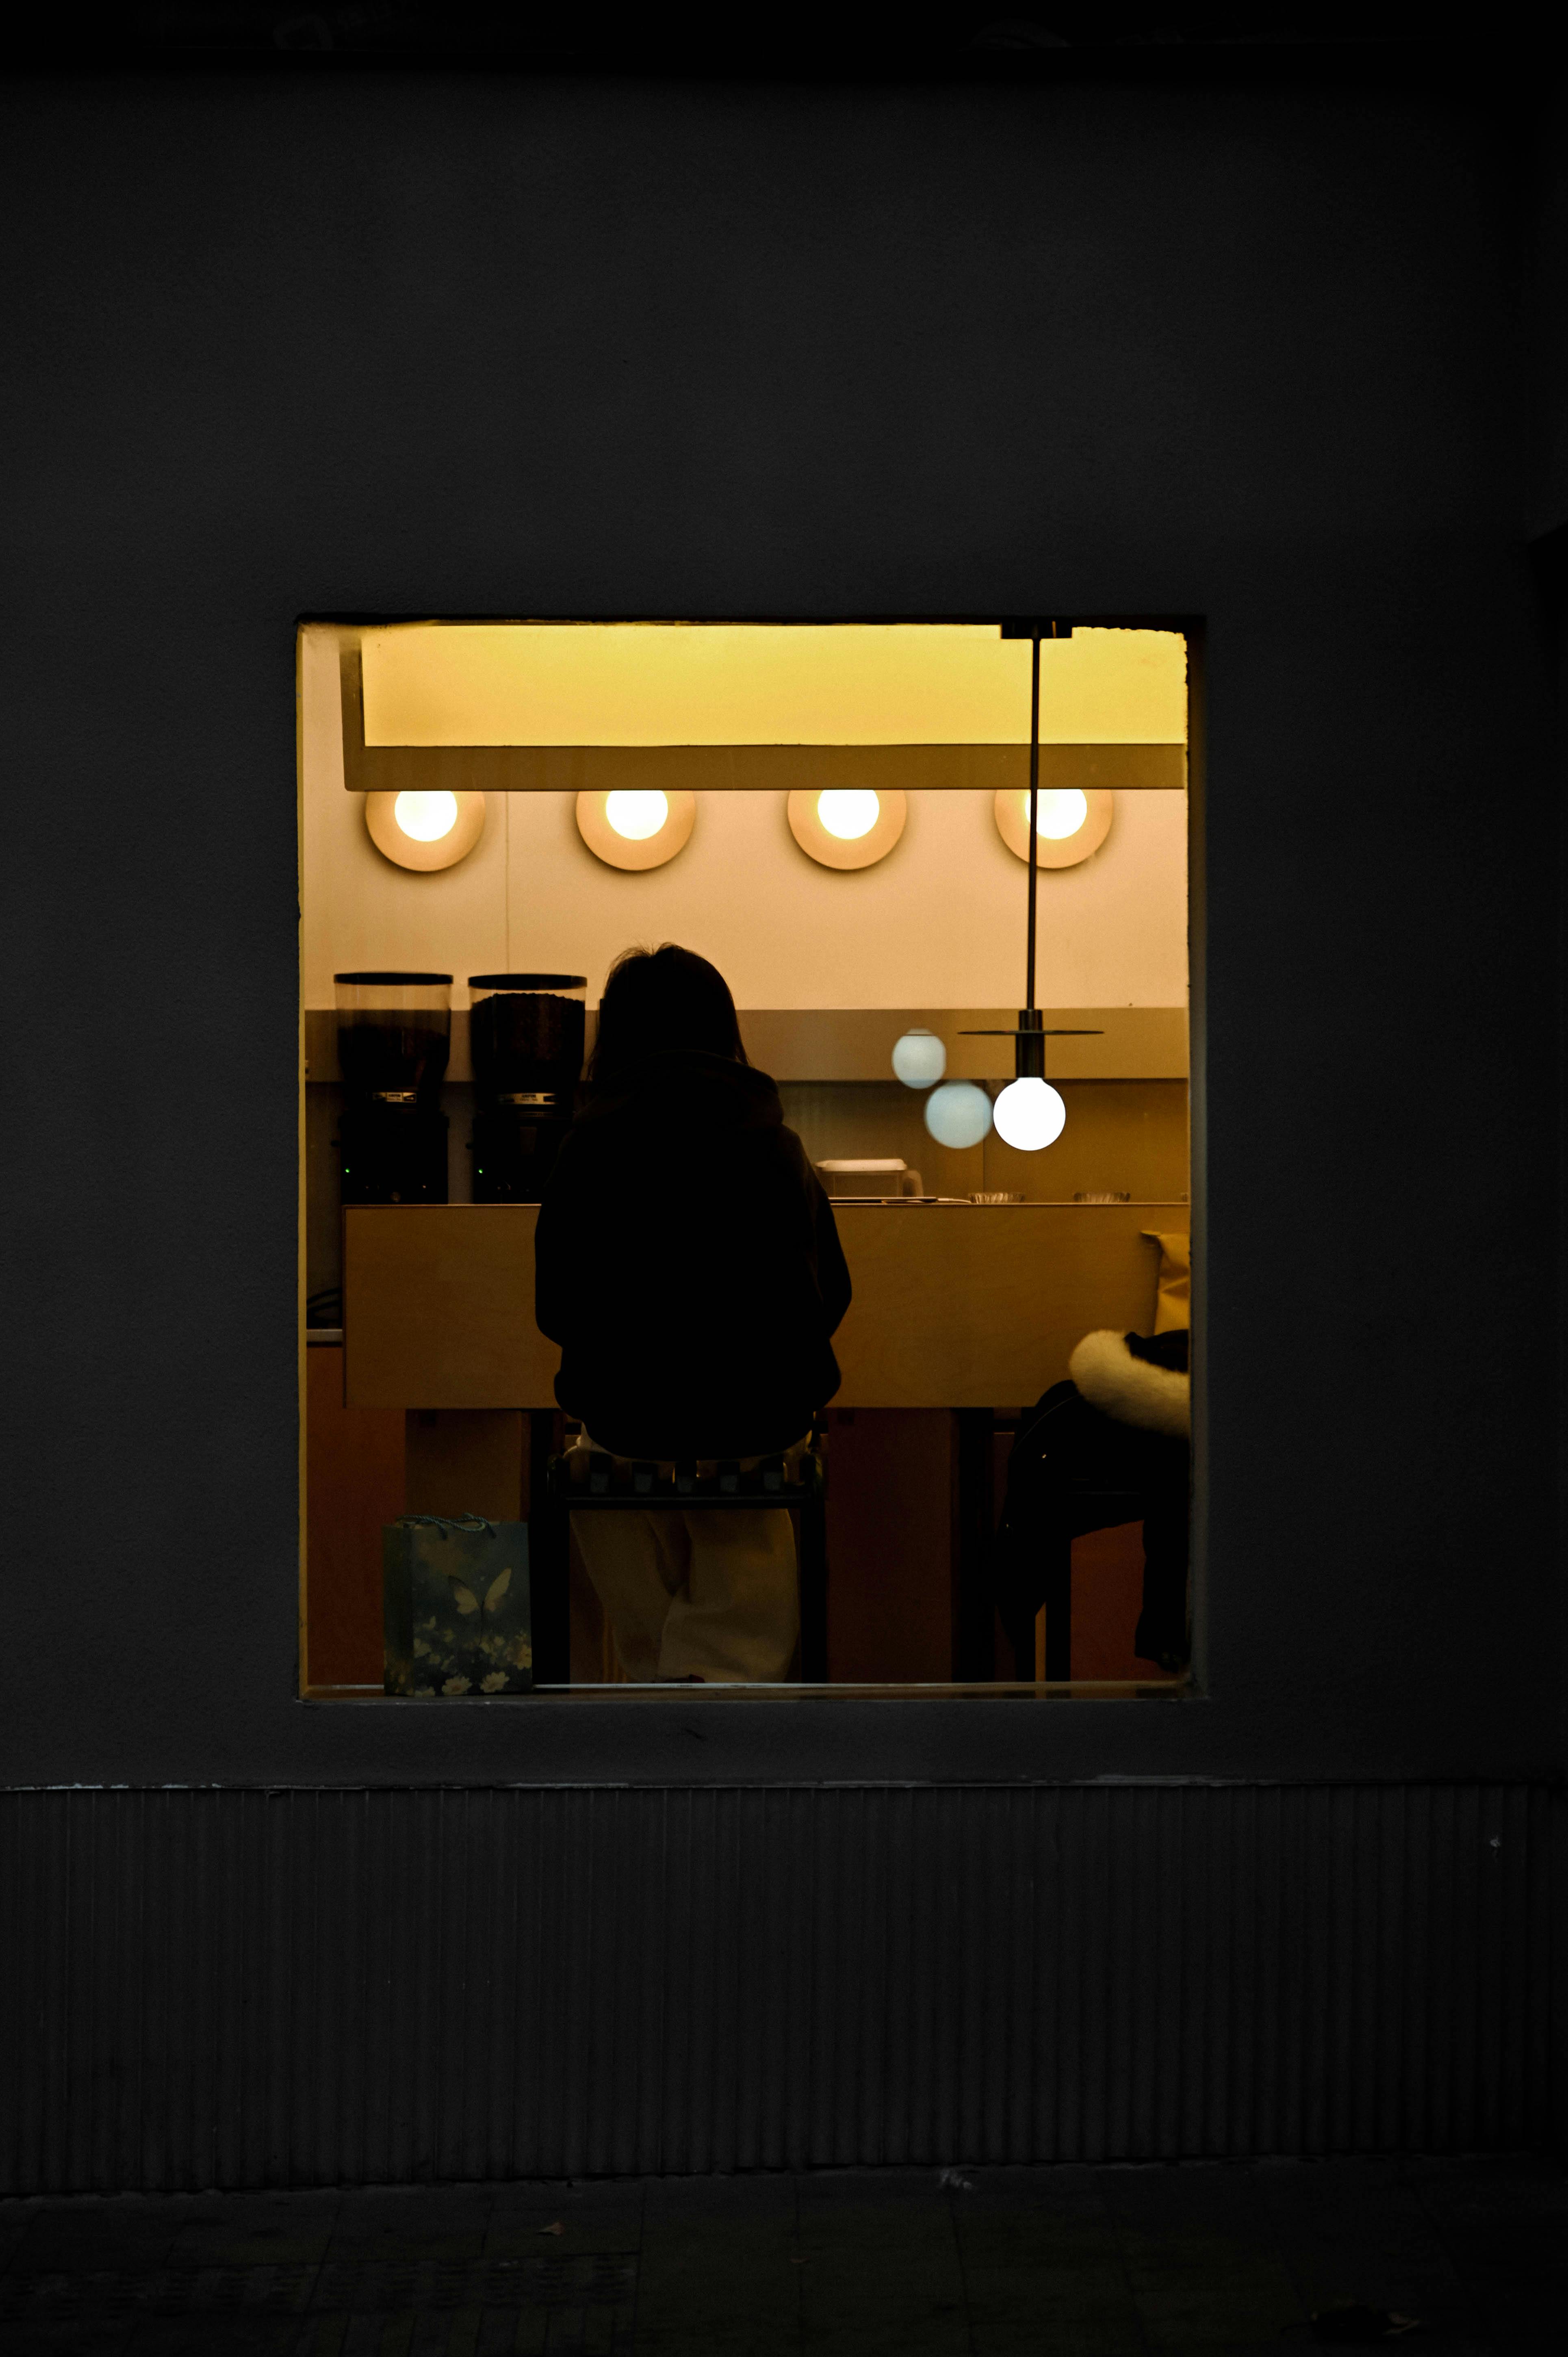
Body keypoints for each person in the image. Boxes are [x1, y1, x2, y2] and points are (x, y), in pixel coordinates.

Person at [534, 944, 851, 1682]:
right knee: (745, 1534)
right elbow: (829, 1296)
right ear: (723, 1029)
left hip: (626, 1423)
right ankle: (715, 1682)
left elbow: (556, 1308)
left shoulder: (585, 1149)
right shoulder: (776, 1145)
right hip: (757, 1423)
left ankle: (659, 1679)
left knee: (604, 1475)